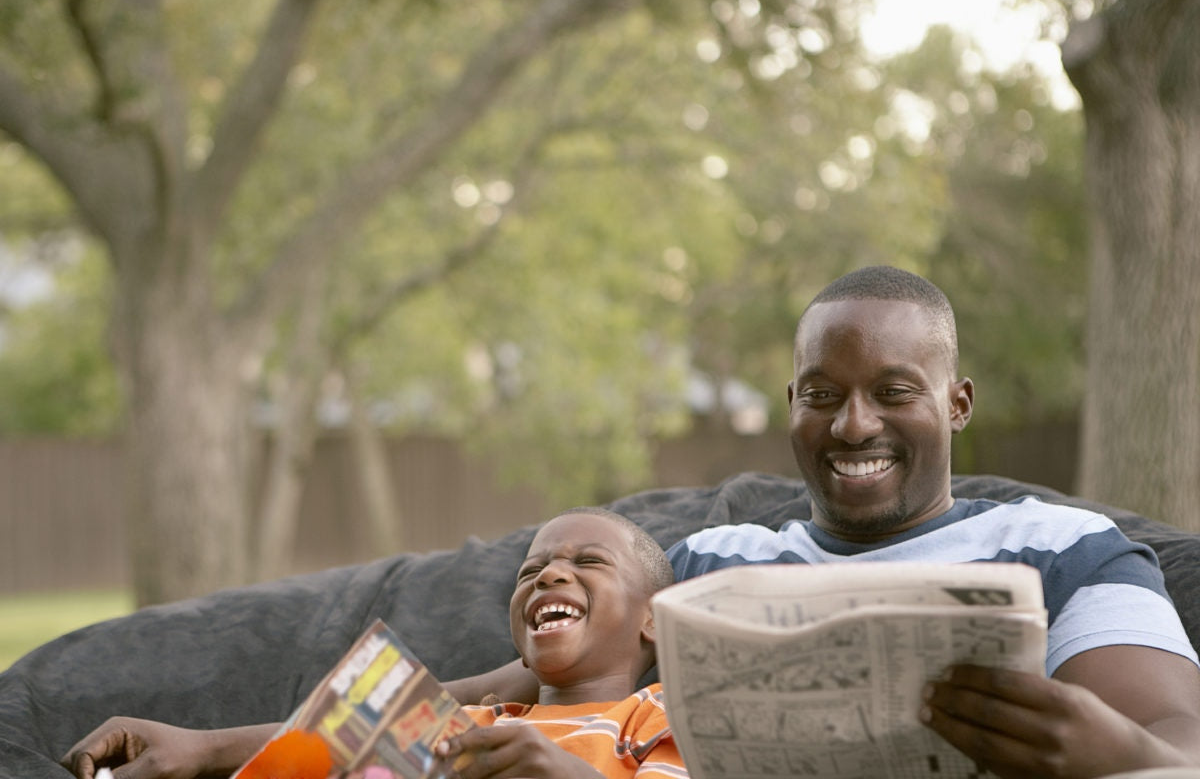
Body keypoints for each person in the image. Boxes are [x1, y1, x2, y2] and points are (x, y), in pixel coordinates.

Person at [666, 265, 1200, 777]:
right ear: (791, 405)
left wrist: (1119, 752)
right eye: (822, 396)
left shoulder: (1063, 548)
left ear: (958, 405)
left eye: (893, 393)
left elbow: (1178, 737)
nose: (854, 426)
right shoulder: (706, 561)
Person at [61, 508, 687, 779]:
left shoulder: (662, 719)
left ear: (654, 619)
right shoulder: (469, 724)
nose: (549, 574)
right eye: (529, 572)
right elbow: (310, 754)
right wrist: (197, 749)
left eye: (589, 561)